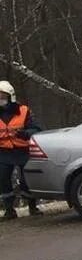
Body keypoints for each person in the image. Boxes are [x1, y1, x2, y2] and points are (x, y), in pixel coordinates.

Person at [0, 80, 42, 220]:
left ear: (10, 96)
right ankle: (9, 210)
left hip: (23, 150)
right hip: (4, 152)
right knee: (3, 179)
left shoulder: (23, 111)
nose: (0, 99)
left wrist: (24, 133)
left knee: (27, 179)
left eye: (2, 96)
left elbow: (36, 129)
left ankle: (32, 206)